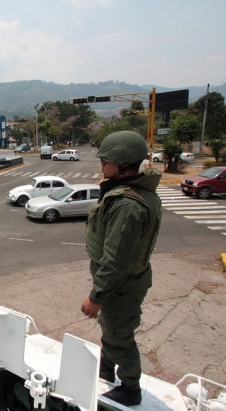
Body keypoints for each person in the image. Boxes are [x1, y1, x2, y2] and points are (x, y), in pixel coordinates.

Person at [81, 131, 162, 407]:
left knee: (119, 337)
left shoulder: (127, 205)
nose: (101, 165)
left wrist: (96, 297)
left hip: (120, 285)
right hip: (122, 284)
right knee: (112, 328)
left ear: (122, 164)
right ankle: (106, 370)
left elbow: (115, 260)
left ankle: (130, 389)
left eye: (105, 161)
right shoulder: (133, 192)